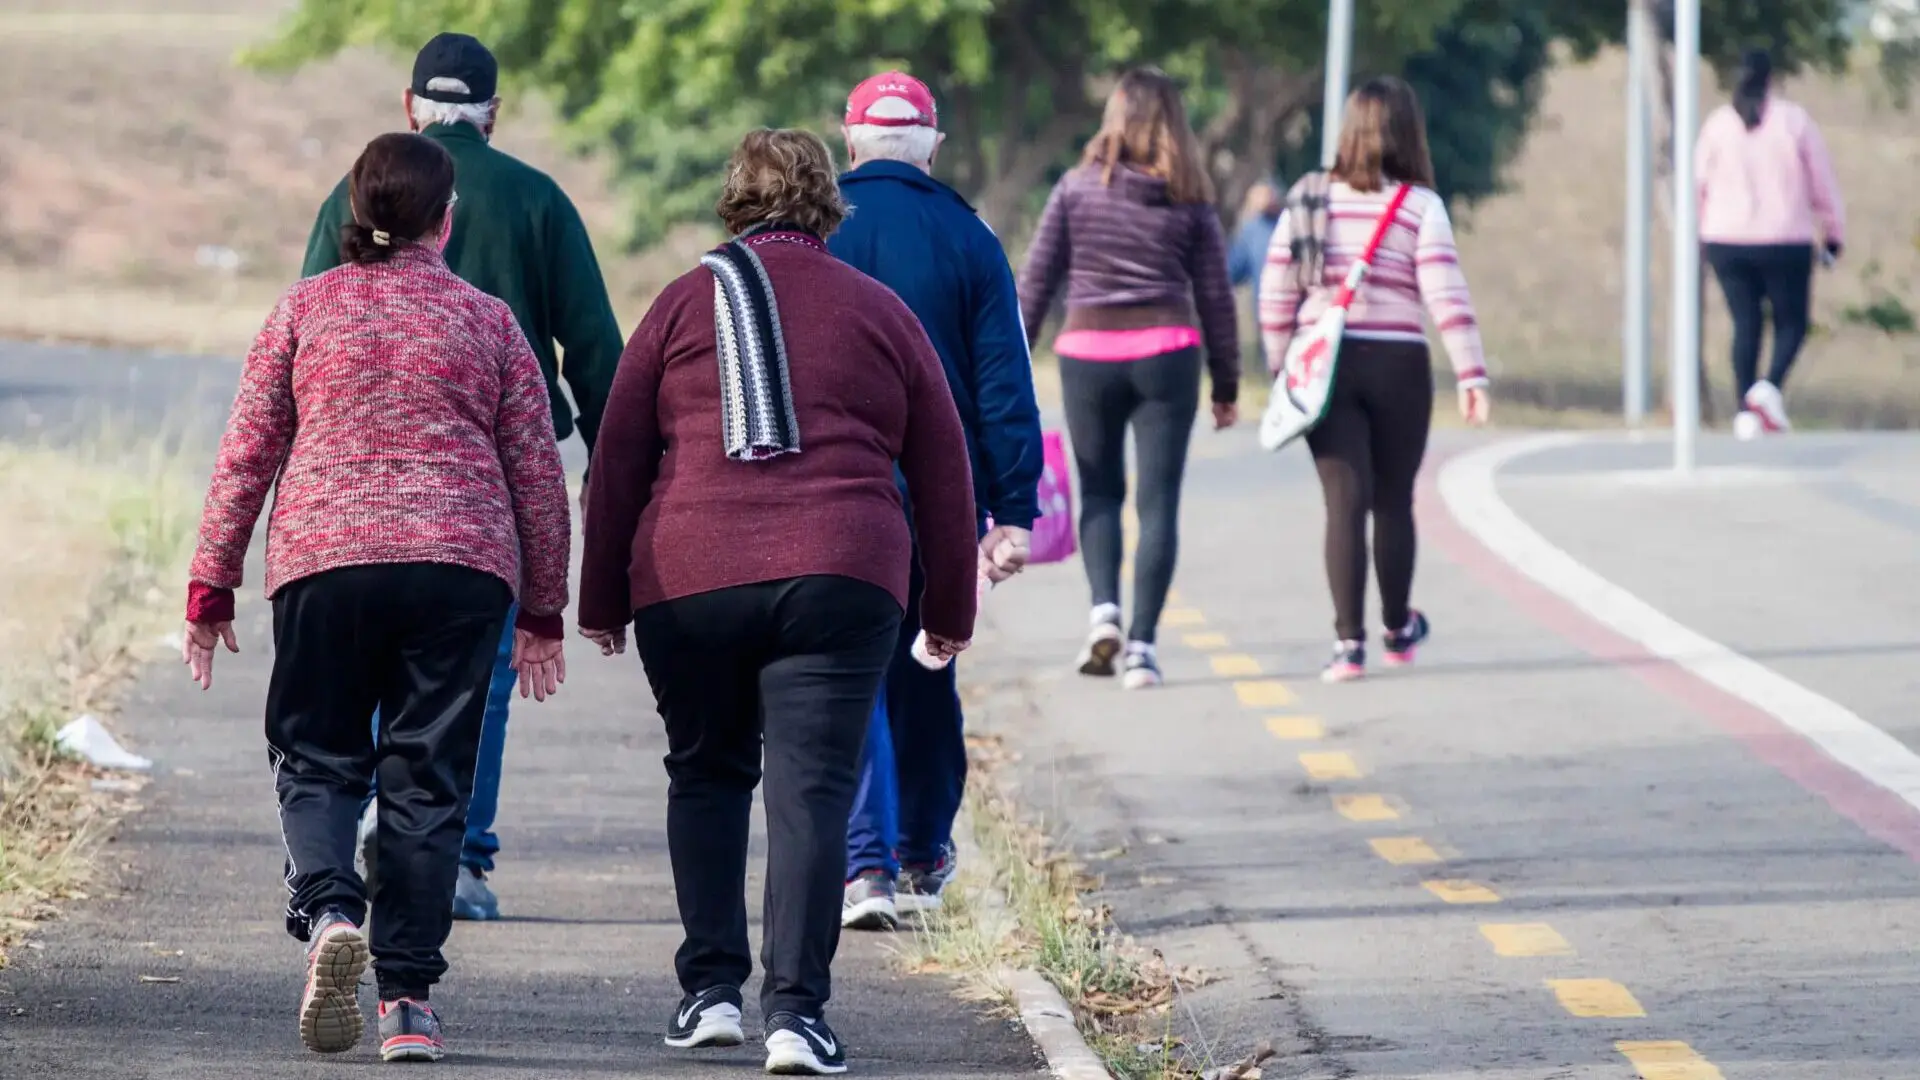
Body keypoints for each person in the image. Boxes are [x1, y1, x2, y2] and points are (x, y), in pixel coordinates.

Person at [577, 128, 980, 1076]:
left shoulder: (681, 303)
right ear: (828, 208)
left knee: (707, 773)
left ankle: (710, 993)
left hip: (692, 579)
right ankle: (798, 1015)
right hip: (841, 576)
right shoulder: (880, 311)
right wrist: (949, 613)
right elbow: (945, 474)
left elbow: (619, 460)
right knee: (813, 793)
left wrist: (600, 603)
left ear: (735, 203)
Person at [183, 132, 572, 1061]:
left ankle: (328, 913)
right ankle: (407, 1004)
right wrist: (547, 610)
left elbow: (246, 454)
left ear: (357, 214)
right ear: (448, 219)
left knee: (318, 756)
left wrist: (212, 585)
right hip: (460, 572)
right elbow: (537, 477)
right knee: (428, 780)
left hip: (327, 561)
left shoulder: (304, 310)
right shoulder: (489, 321)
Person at [301, 32, 624, 921]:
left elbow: (307, 322)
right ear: (494, 111)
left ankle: (372, 818)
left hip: (361, 466)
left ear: (411, 107)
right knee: (475, 673)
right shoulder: (537, 199)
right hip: (495, 474)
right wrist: (611, 457)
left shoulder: (357, 187)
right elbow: (594, 344)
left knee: (369, 658)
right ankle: (459, 860)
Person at [826, 70, 1044, 930]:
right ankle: (921, 851)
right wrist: (1013, 509)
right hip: (939, 498)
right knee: (926, 666)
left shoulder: (811, 229)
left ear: (849, 142)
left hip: (833, 491)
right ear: (934, 147)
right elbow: (1003, 383)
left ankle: (865, 867)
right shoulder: (970, 235)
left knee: (851, 676)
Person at [1258, 76, 1490, 684]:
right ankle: (1396, 627)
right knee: (1392, 500)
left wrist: (1282, 366)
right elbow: (1445, 293)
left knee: (1343, 503)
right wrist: (1472, 373)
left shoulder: (1308, 197)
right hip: (1398, 364)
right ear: (1409, 134)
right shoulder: (1420, 206)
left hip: (1324, 366)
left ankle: (1347, 646)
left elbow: (1276, 288)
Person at [1017, 67, 1240, 691]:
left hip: (1087, 353)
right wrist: (1226, 381)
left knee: (1100, 492)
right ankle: (1141, 648)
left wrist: (1005, 370)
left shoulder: (1073, 188)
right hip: (1168, 352)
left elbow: (1036, 283)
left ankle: (1102, 615)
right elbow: (1216, 297)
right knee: (1159, 500)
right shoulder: (1190, 196)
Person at [1696, 47, 1845, 438]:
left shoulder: (1717, 125)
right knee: (1792, 322)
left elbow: (1698, 186)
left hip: (1725, 239)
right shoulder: (1793, 122)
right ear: (1771, 78)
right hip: (1784, 240)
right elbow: (1822, 183)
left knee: (1745, 323)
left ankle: (1745, 408)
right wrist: (1833, 235)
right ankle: (1769, 387)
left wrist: (1696, 236)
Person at [1229, 179, 1285, 369]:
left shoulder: (1287, 223)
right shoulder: (1251, 230)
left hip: (1291, 307)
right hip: (1264, 307)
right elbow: (1235, 269)